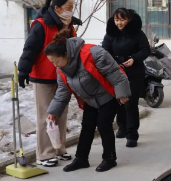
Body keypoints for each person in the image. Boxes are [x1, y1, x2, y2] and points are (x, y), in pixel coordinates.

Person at [45, 31, 130, 172]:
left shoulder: (93, 53)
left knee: (103, 124)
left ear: (66, 54)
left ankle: (109, 158)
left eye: (56, 61)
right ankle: (81, 159)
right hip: (90, 99)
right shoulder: (61, 69)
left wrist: (122, 93)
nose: (55, 65)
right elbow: (62, 91)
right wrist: (53, 112)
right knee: (87, 126)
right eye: (52, 63)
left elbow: (115, 73)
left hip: (108, 94)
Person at [17, 0, 81, 168]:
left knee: (61, 114)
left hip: (63, 75)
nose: (70, 11)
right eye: (68, 7)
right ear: (57, 8)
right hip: (44, 77)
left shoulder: (69, 26)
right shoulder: (41, 25)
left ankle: (59, 148)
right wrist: (23, 70)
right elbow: (30, 48)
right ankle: (45, 153)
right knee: (46, 116)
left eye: (72, 7)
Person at [102, 8, 150, 148]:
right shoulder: (111, 33)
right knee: (119, 101)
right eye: (116, 20)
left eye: (122, 20)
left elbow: (145, 49)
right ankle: (122, 126)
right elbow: (105, 51)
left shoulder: (137, 33)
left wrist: (134, 59)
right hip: (116, 72)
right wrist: (113, 63)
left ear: (128, 20)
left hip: (134, 72)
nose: (119, 23)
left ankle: (132, 134)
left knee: (131, 102)